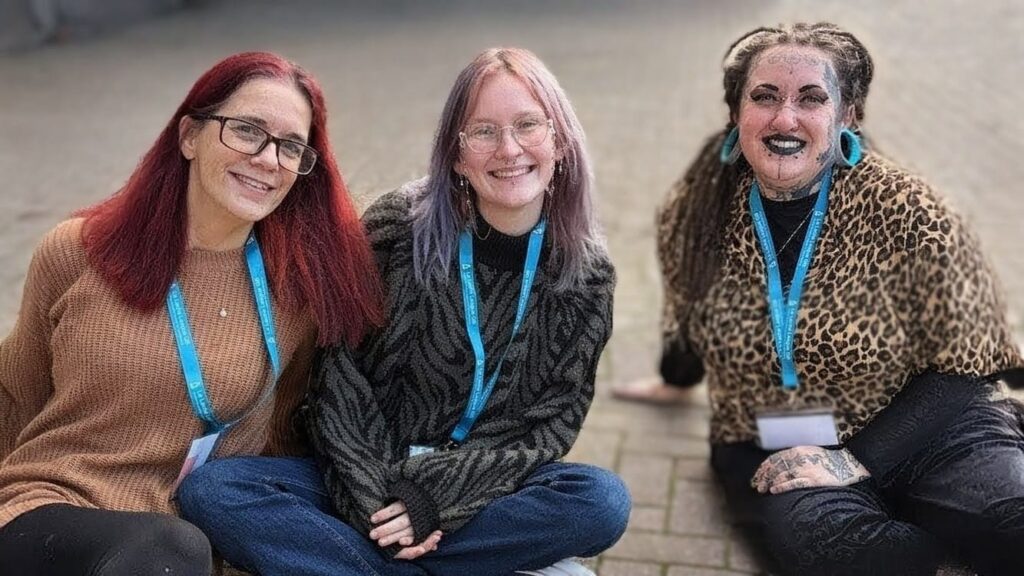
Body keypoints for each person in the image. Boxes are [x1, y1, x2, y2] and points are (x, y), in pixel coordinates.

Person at [177, 47, 630, 576]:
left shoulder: (587, 275)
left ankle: (354, 565)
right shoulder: (400, 228)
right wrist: (374, 499)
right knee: (215, 491)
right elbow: (337, 379)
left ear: (560, 141)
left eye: (529, 125)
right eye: (483, 131)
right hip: (361, 473)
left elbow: (549, 428)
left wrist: (437, 499)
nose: (509, 149)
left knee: (601, 501)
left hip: (478, 492)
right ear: (457, 154)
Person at [619, 22, 1024, 576]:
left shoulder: (912, 212)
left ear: (847, 115)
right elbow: (690, 323)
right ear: (736, 111)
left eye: (812, 99)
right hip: (782, 436)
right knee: (833, 548)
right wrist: (675, 379)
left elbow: (969, 367)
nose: (785, 119)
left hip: (931, 425)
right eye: (765, 97)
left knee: (1008, 516)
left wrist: (859, 459)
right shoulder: (696, 216)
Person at [0, 51, 384, 575]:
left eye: (292, 146)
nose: (269, 158)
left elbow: (282, 437)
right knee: (169, 550)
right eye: (248, 130)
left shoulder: (297, 292)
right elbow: (15, 395)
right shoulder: (78, 252)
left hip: (188, 545)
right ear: (188, 137)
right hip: (51, 515)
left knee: (177, 549)